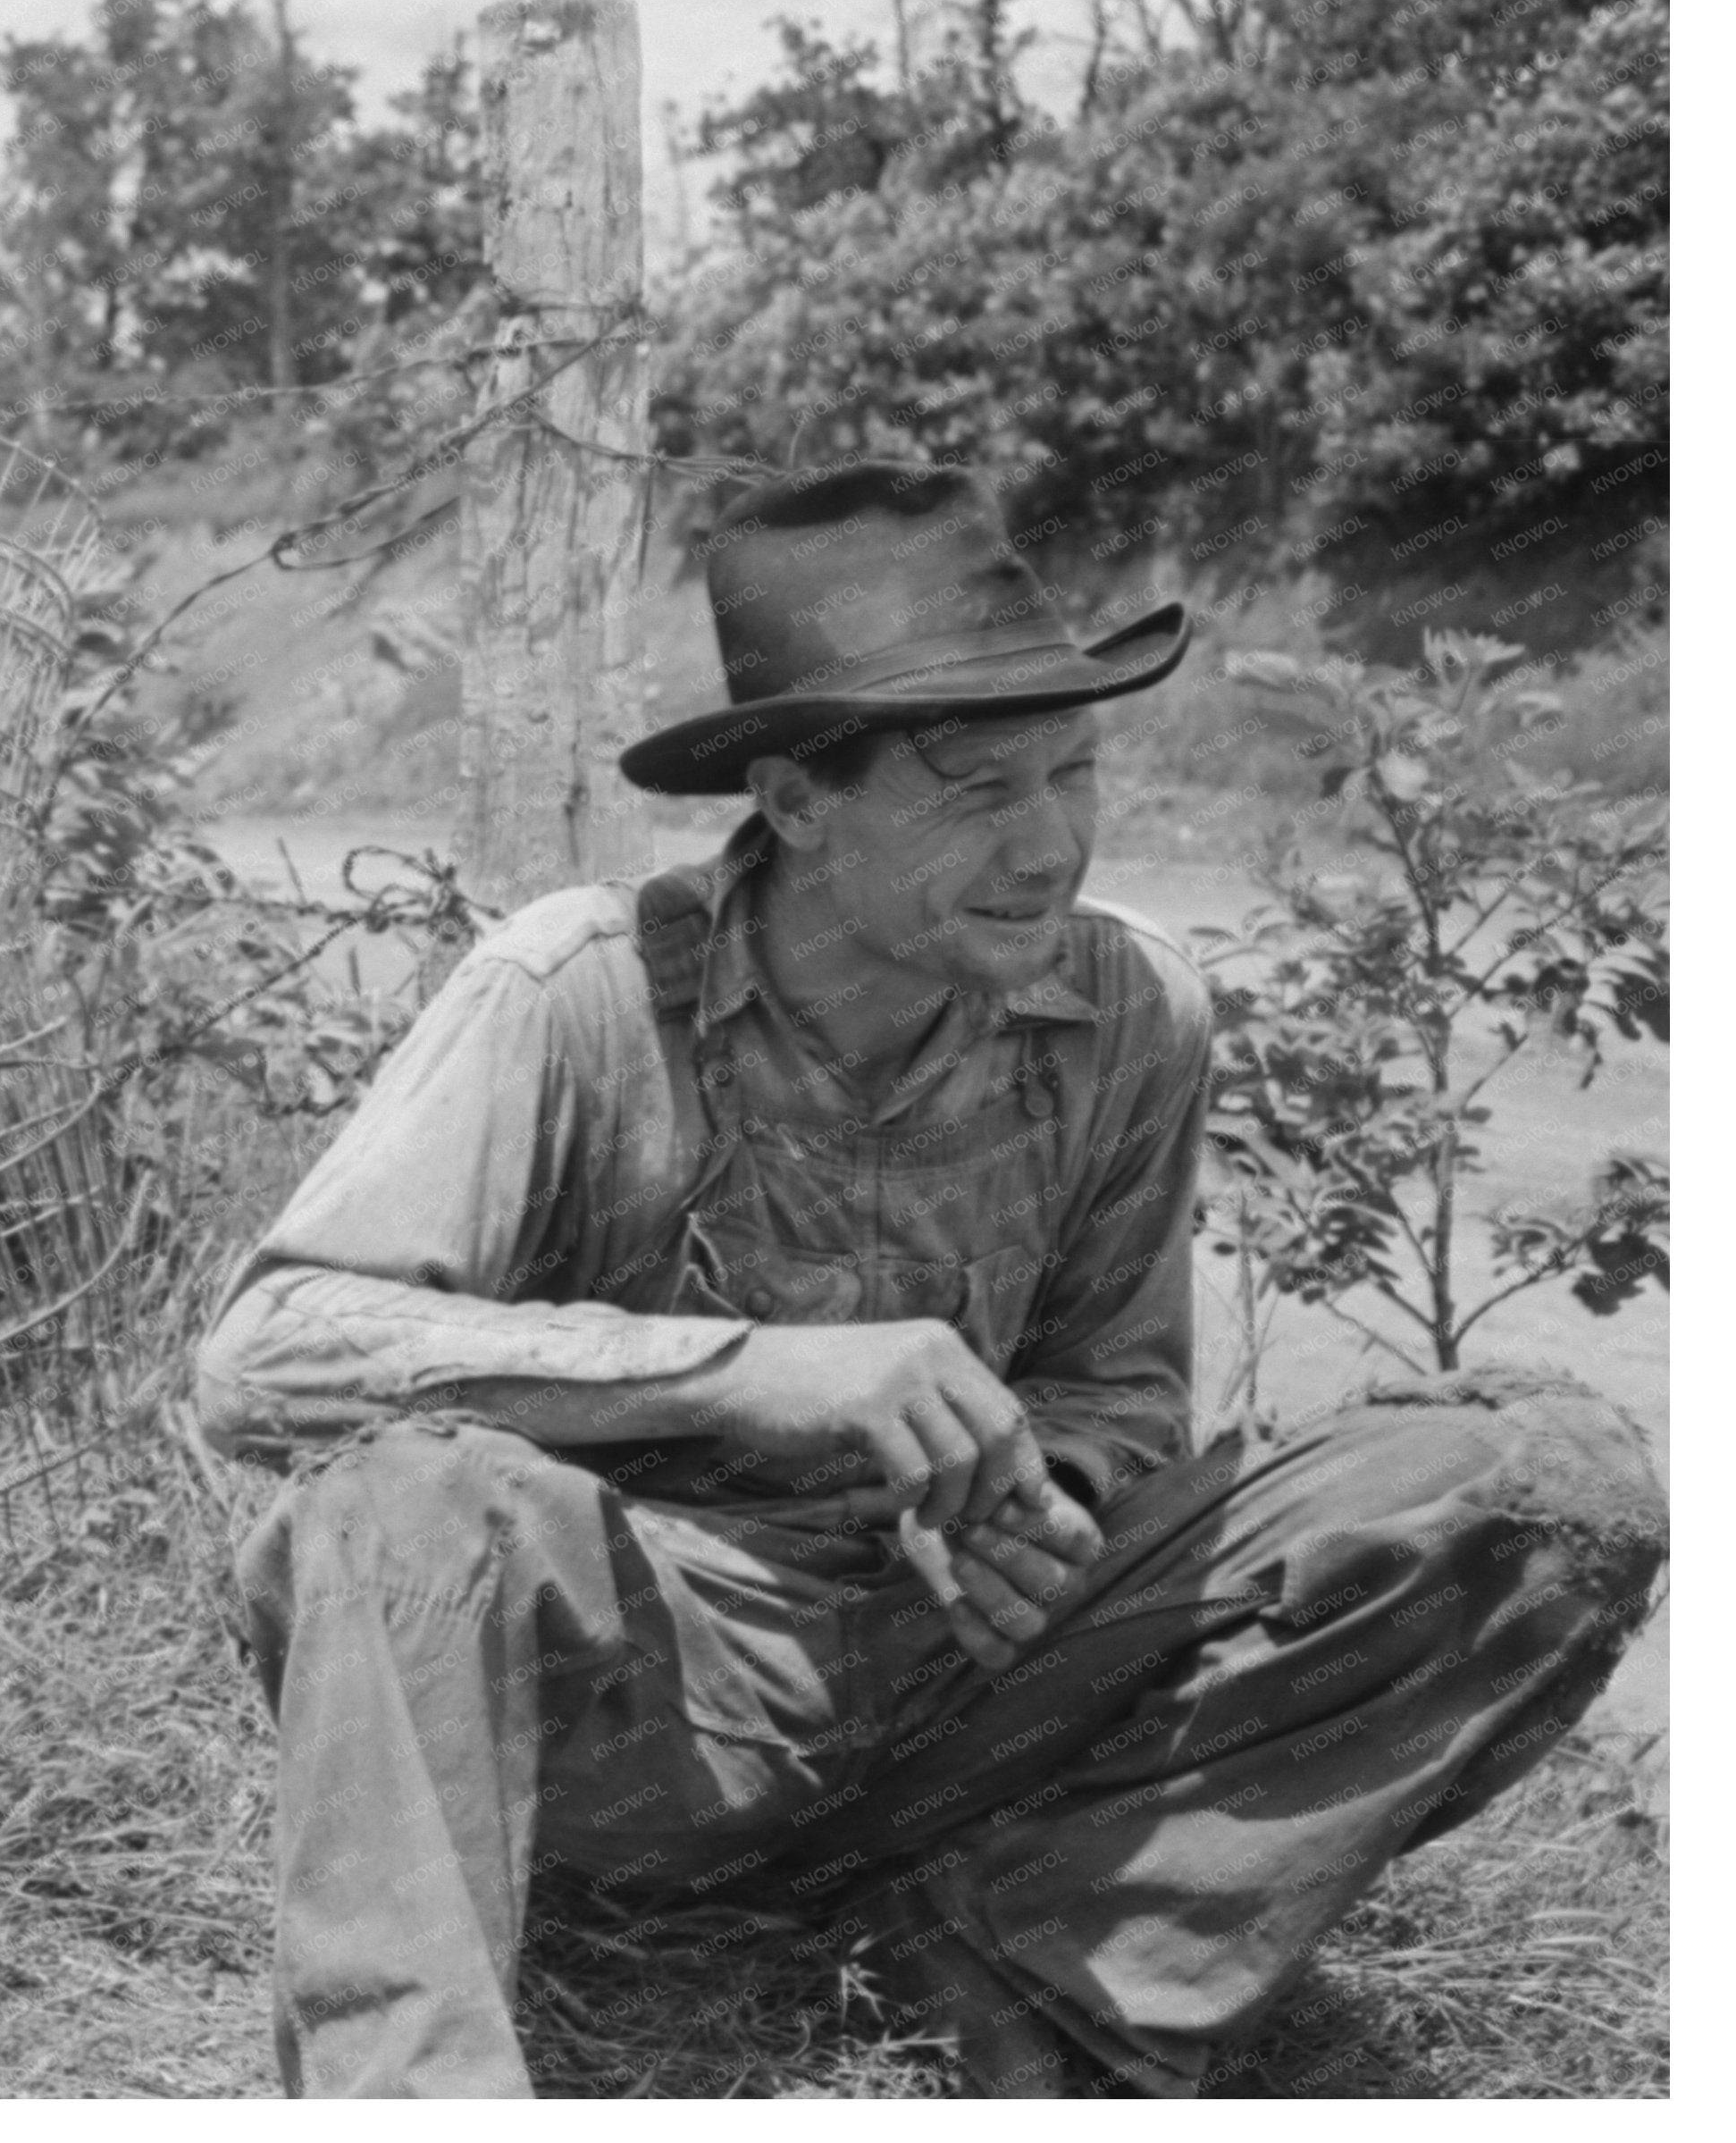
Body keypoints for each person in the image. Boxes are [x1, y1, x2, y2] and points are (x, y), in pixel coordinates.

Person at [195, 460, 1666, 2097]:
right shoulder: (576, 993)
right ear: (795, 799)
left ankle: (1018, 1965)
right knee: (394, 1512)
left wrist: (1046, 1492)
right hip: (649, 1707)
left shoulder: (1126, 1012)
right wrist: (745, 1371)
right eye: (974, 789)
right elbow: (264, 1354)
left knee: (1542, 1482)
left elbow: (1120, 1381)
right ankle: (412, 2091)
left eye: (1076, 772)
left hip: (976, 1684)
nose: (1046, 844)